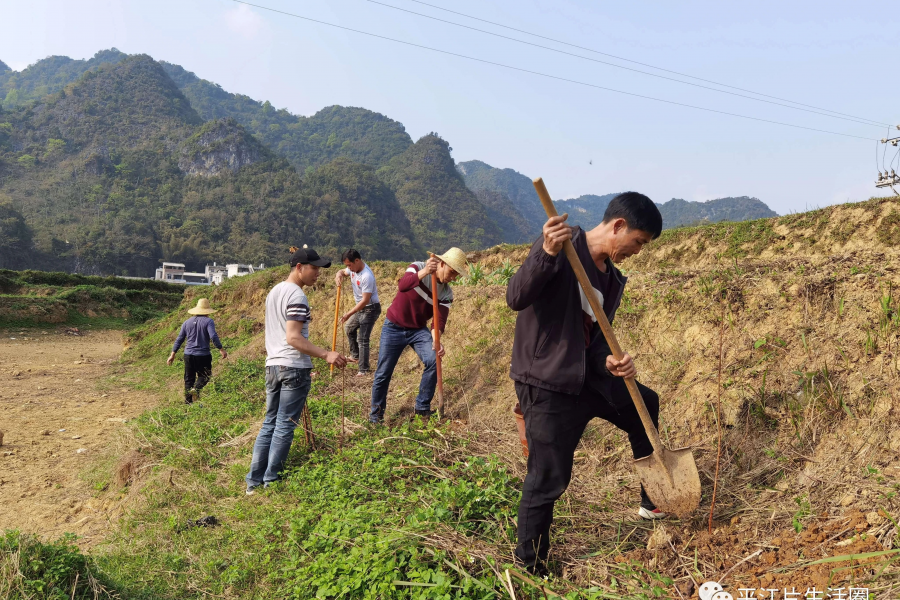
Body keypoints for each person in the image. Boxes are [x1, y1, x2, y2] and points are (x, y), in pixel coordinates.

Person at [506, 192, 665, 575]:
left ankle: (651, 500)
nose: (638, 251)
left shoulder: (611, 279)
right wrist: (545, 252)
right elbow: (516, 297)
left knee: (645, 404)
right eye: (639, 242)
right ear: (618, 226)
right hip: (548, 381)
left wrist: (609, 361)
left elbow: (592, 339)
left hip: (590, 379)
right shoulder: (561, 245)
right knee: (548, 478)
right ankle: (531, 566)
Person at [246, 246, 354, 494]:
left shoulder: (275, 292)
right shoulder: (297, 296)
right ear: (299, 268)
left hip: (273, 365)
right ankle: (271, 481)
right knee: (284, 425)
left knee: (270, 423)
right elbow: (293, 338)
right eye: (314, 268)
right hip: (292, 367)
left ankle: (254, 482)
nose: (318, 273)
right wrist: (327, 354)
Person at [369, 248, 468, 423]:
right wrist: (424, 273)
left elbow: (439, 321)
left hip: (417, 330)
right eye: (452, 272)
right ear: (442, 264)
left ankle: (422, 408)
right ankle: (375, 417)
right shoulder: (417, 267)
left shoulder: (446, 293)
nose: (453, 278)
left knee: (433, 359)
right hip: (394, 326)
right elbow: (403, 285)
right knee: (383, 373)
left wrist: (436, 340)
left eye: (456, 275)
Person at [167, 298, 227, 404]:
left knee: (188, 379)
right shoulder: (208, 321)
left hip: (188, 355)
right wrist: (221, 349)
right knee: (205, 376)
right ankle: (196, 389)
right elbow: (213, 335)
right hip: (203, 355)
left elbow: (180, 339)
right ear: (207, 311)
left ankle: (188, 403)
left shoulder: (186, 322)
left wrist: (172, 354)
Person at [335, 249, 381, 377]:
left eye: (349, 265)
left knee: (363, 339)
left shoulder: (367, 276)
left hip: (370, 308)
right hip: (360, 308)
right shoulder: (352, 269)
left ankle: (364, 369)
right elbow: (342, 272)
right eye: (347, 265)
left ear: (357, 260)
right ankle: (355, 356)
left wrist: (348, 313)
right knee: (349, 328)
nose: (348, 268)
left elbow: (365, 300)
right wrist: (338, 275)